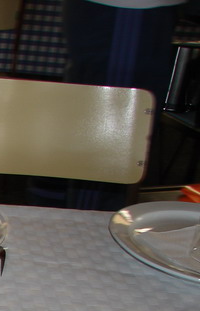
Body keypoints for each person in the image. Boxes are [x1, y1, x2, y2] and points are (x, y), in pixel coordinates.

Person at [28, 1, 187, 210]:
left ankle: (55, 208)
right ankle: (82, 217)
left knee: (92, 117)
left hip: (124, 10)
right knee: (111, 139)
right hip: (129, 7)